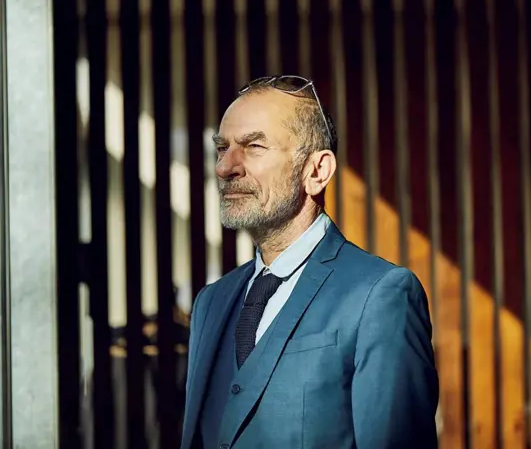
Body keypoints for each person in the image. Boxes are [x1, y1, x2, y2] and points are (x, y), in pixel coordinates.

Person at [180, 75, 439, 449]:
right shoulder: (210, 303)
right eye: (222, 149)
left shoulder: (380, 295)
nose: (225, 167)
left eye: (253, 146)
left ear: (317, 171)